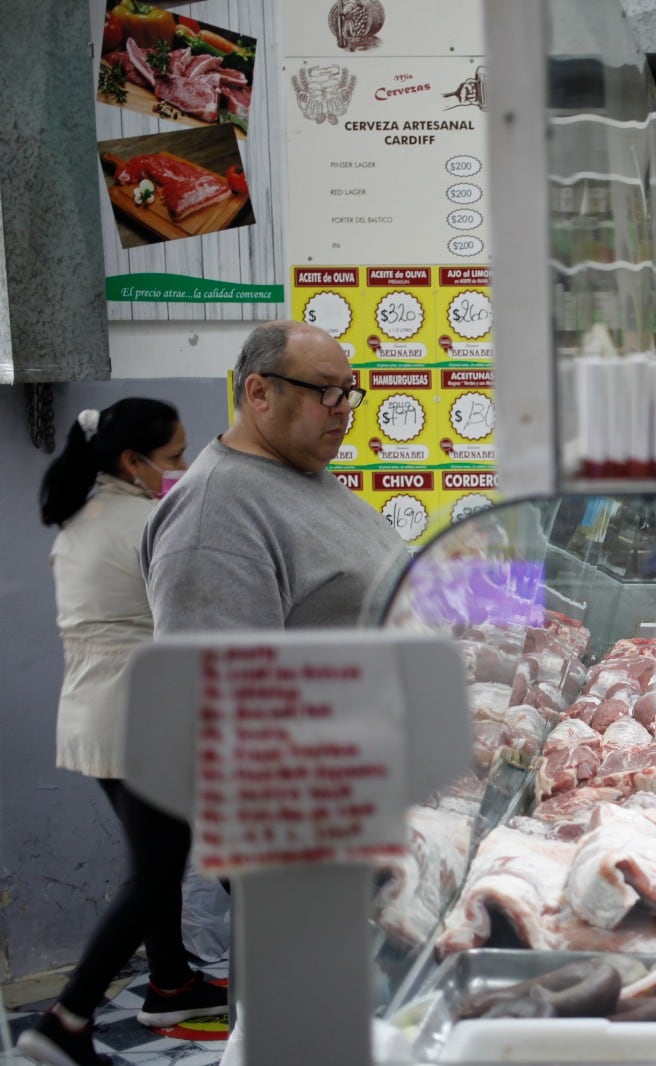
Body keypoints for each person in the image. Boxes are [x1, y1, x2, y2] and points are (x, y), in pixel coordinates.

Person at [22, 399, 226, 1066]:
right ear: (131, 461)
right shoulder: (149, 521)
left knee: (160, 859)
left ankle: (169, 982)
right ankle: (68, 1019)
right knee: (157, 874)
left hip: (95, 709)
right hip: (140, 713)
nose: (185, 468)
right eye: (172, 458)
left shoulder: (82, 516)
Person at [142, 320, 404, 634]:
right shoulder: (215, 514)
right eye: (326, 391)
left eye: (348, 391)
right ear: (260, 393)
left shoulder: (302, 474)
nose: (344, 407)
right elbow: (213, 676)